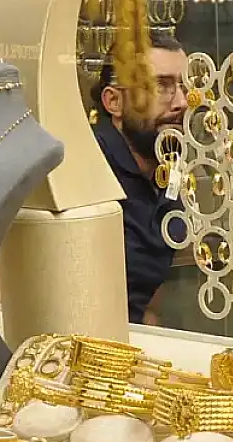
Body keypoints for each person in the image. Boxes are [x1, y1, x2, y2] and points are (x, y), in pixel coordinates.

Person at [91, 33, 189, 325]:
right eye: (161, 86)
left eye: (185, 86)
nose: (182, 102)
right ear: (114, 101)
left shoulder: (166, 169)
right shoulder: (87, 170)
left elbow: (148, 298)